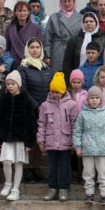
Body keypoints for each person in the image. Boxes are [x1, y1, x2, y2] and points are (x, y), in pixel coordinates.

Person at [37, 72, 79, 202]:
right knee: (53, 167)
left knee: (65, 166)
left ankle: (63, 188)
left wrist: (74, 141)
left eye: (57, 92)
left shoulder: (71, 104)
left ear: (63, 90)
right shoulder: (45, 105)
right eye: (53, 92)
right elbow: (41, 124)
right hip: (50, 141)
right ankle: (52, 187)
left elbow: (75, 124)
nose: (55, 94)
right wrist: (41, 140)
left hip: (65, 141)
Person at [0, 71, 36, 201]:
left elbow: (31, 121)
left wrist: (29, 142)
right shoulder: (3, 100)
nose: (10, 86)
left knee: (18, 163)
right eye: (8, 84)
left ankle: (15, 189)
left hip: (21, 138)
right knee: (7, 162)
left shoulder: (26, 100)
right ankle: (8, 183)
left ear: (18, 84)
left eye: (13, 83)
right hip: (7, 137)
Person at [74, 85, 105, 205]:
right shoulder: (83, 114)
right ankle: (89, 193)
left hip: (102, 148)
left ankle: (104, 193)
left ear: (100, 100)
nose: (94, 100)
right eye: (92, 98)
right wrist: (78, 147)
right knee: (88, 172)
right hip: (87, 148)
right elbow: (77, 131)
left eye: (96, 98)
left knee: (103, 172)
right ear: (87, 100)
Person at [17, 37, 53, 183]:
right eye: (32, 47)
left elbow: (51, 89)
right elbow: (23, 89)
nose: (35, 50)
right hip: (29, 110)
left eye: (37, 47)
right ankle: (27, 169)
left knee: (40, 138)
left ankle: (36, 167)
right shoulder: (23, 67)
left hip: (44, 109)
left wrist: (46, 106)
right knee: (29, 140)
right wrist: (36, 105)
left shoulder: (46, 68)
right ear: (27, 49)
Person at [44, 0, 82, 73]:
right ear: (61, 3)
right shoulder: (54, 17)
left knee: (73, 75)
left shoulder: (81, 18)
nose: (67, 3)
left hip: (74, 50)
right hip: (58, 50)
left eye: (69, 1)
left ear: (74, 2)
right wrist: (47, 55)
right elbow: (47, 37)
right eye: (64, 1)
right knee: (57, 76)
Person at [62, 12, 105, 79]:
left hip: (97, 76)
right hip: (77, 77)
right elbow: (67, 63)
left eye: (91, 21)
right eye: (86, 22)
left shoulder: (104, 40)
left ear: (96, 23)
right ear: (82, 24)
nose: (89, 23)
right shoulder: (75, 40)